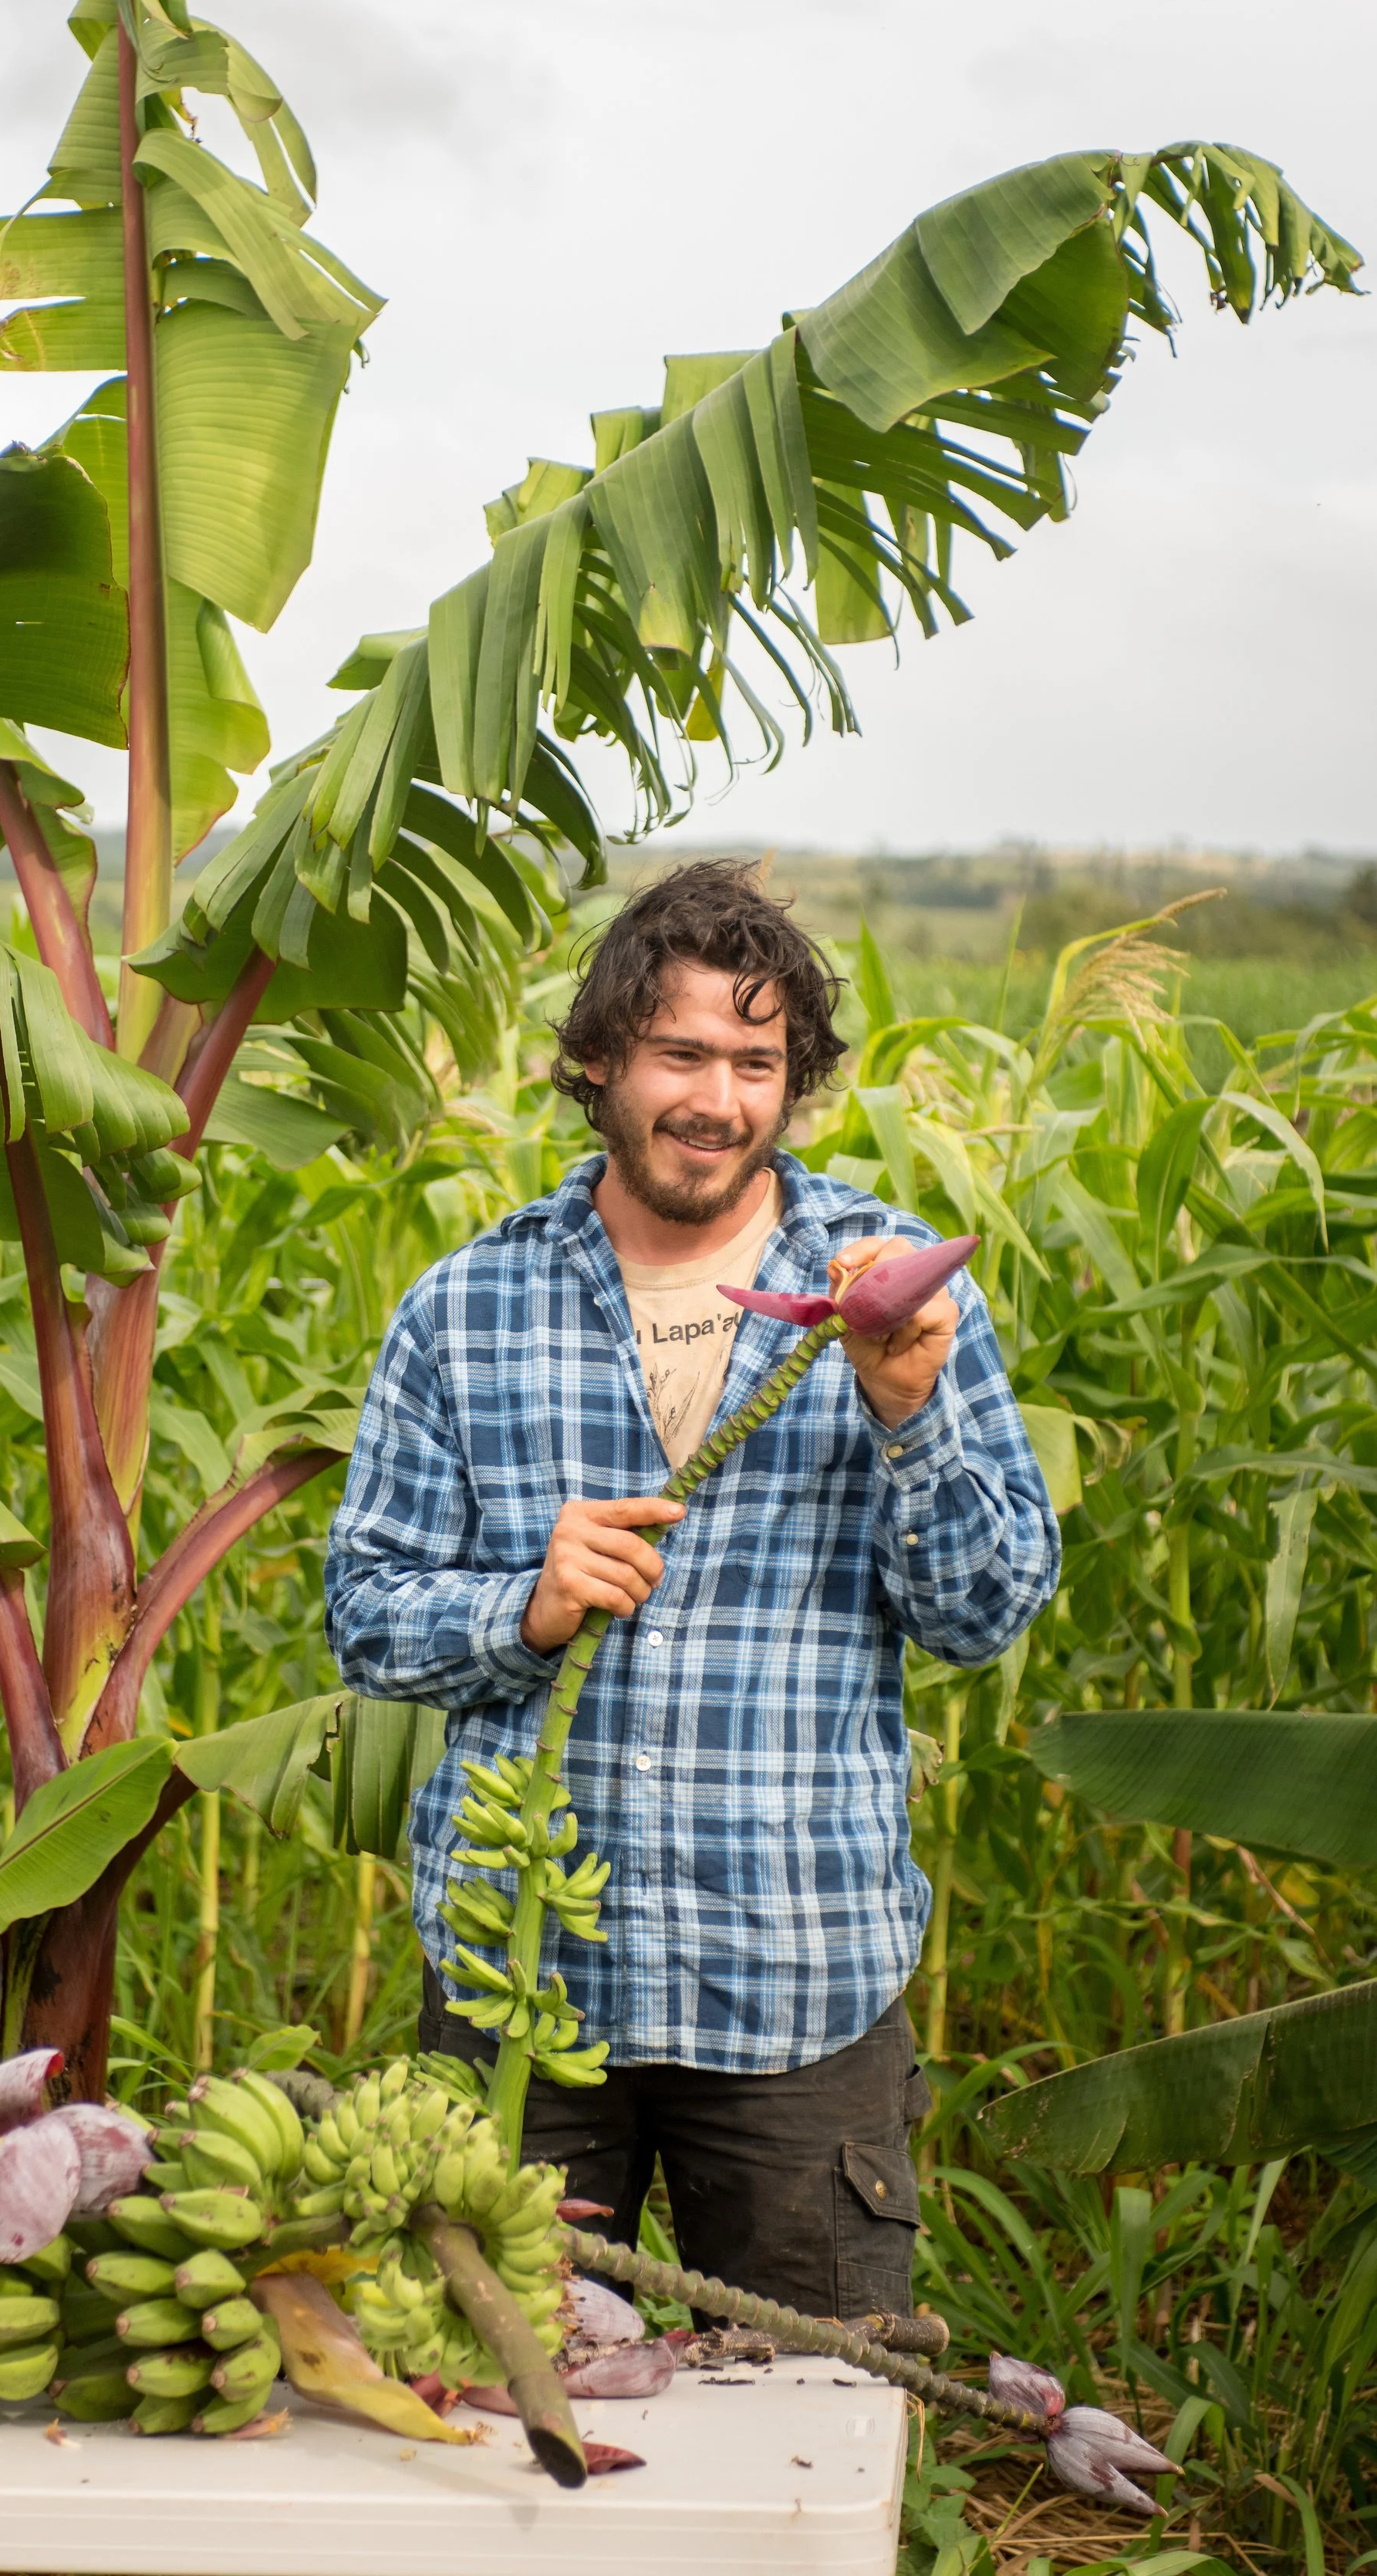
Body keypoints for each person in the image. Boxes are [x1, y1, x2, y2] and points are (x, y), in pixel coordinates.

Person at [323, 859, 1059, 2325]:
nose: (716, 1095)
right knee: (491, 2405)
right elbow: (364, 1608)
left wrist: (907, 1413)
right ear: (598, 1061)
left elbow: (989, 1609)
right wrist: (519, 1610)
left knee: (808, 2427)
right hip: (521, 1979)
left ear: (792, 1083)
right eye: (679, 1052)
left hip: (793, 1979)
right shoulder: (467, 1305)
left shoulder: (896, 1288)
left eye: (755, 1060)